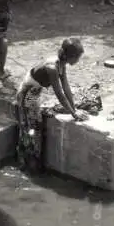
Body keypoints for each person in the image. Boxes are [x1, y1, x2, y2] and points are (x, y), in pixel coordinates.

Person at [15, 38, 89, 173]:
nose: (78, 61)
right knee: (31, 129)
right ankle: (26, 165)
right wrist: (73, 113)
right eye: (77, 58)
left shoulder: (62, 64)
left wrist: (75, 109)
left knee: (34, 128)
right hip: (27, 96)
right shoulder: (52, 68)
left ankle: (31, 164)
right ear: (70, 56)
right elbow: (59, 94)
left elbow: (66, 88)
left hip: (35, 94)